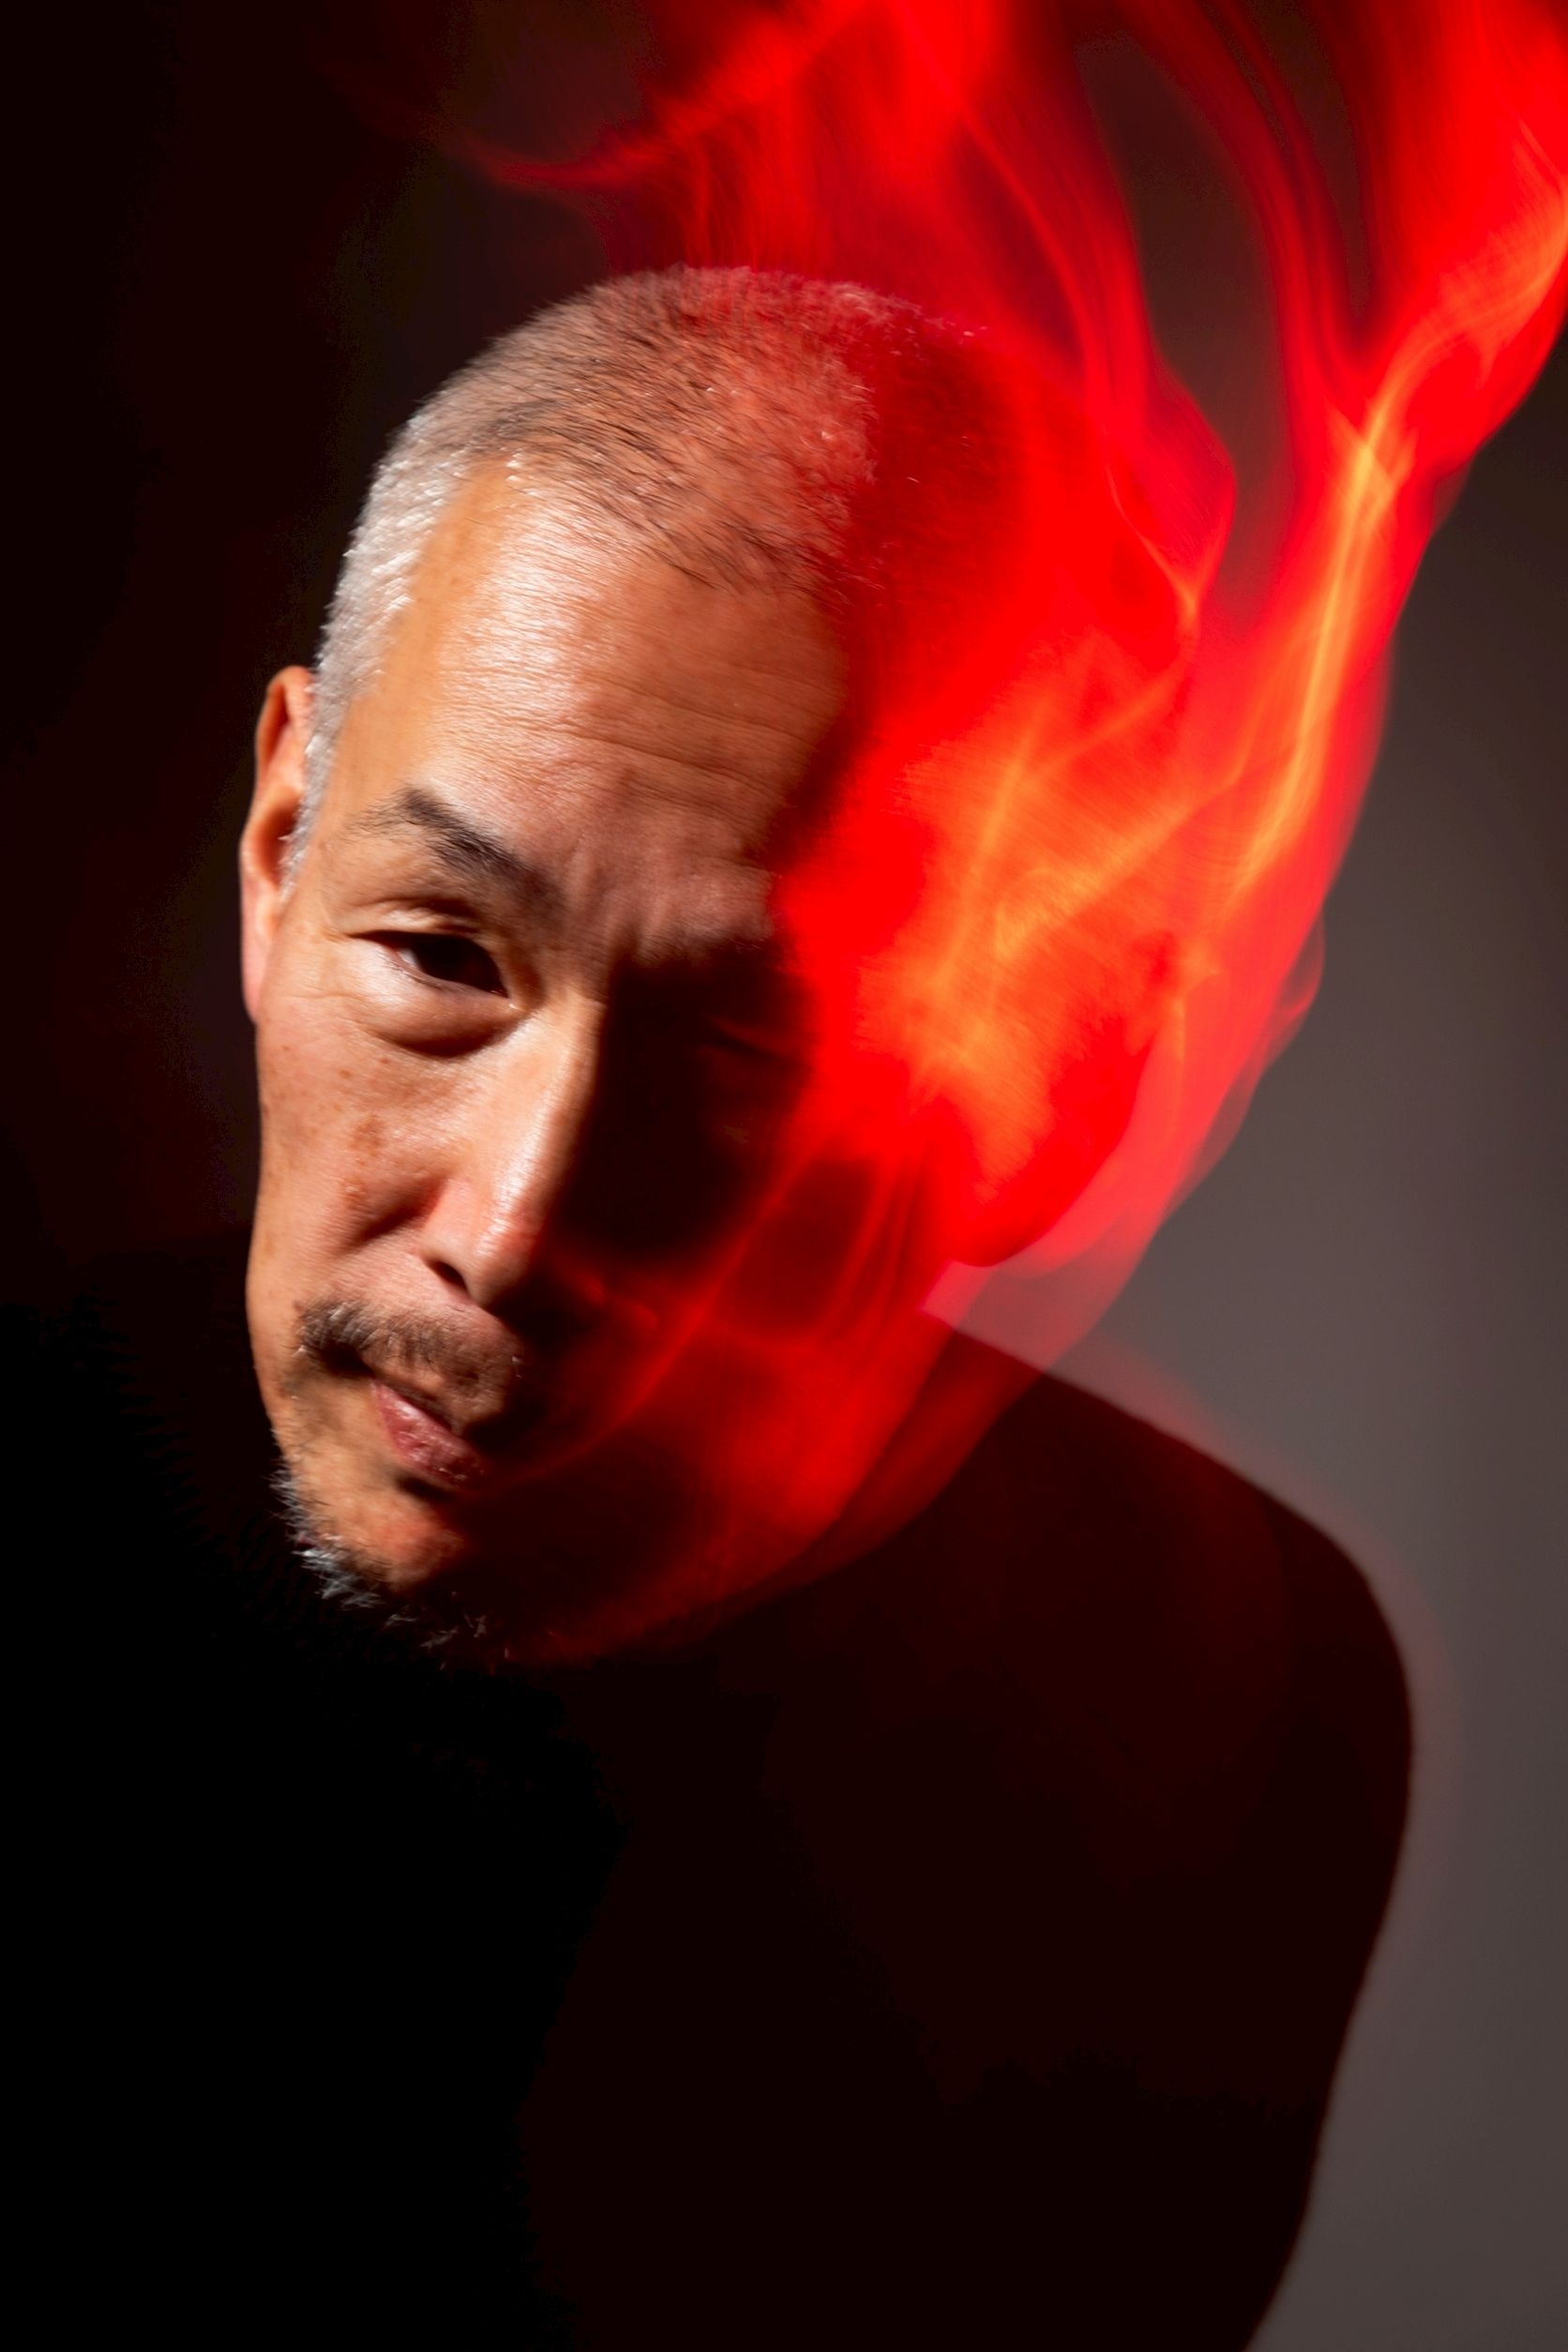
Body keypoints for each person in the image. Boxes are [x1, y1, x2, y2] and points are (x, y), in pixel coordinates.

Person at [32, 267, 1407, 2345]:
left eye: (751, 1062)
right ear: (280, 847)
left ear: (1048, 1098)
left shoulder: (1208, 1700)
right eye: (440, 956)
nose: (515, 1231)